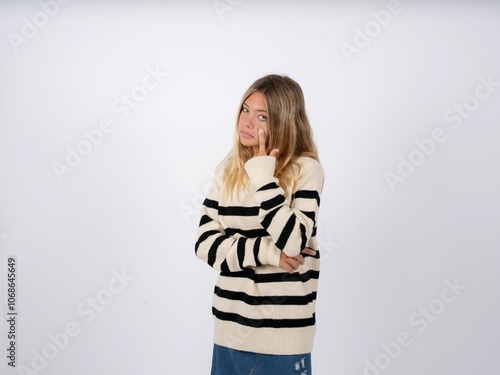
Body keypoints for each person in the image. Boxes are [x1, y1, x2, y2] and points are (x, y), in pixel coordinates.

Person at [195, 74, 324, 374]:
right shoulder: (228, 171)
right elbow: (204, 245)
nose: (247, 122)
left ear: (282, 121)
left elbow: (293, 241)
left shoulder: (306, 170)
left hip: (283, 343)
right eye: (245, 110)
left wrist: (264, 176)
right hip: (229, 336)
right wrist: (269, 254)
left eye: (262, 115)